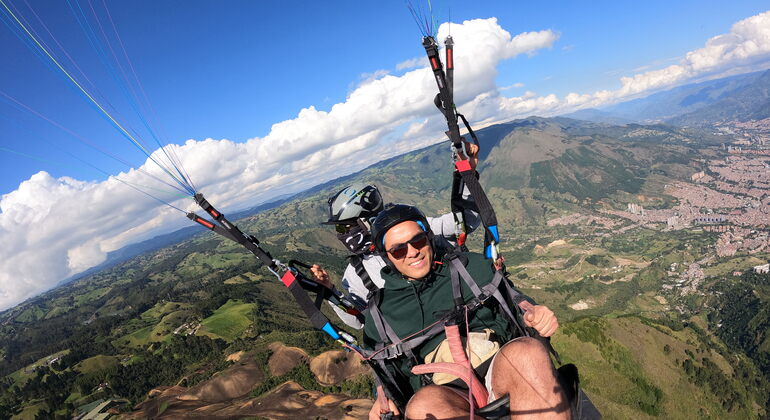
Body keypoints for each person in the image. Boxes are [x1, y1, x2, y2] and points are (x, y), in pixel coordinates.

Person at [364, 204, 568, 420]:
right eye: (398, 250)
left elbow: (514, 299)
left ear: (429, 237)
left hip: (499, 364)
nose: (412, 252)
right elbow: (387, 373)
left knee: (528, 353)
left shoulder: (470, 268)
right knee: (423, 408)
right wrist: (383, 397)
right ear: (387, 257)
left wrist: (533, 312)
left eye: (418, 240)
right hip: (445, 391)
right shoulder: (381, 314)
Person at [311, 140, 481, 329]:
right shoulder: (356, 273)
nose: (343, 234)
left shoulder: (417, 229)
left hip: (468, 318)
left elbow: (467, 221)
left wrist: (468, 175)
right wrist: (330, 292)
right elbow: (359, 321)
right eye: (340, 230)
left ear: (367, 222)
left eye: (346, 227)